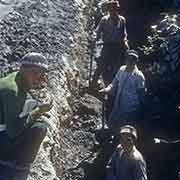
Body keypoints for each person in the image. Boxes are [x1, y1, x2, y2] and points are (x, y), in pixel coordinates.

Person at [0, 52, 52, 169]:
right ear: (22, 68)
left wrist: (37, 105)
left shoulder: (16, 78)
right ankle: (15, 162)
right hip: (3, 137)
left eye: (40, 74)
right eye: (33, 72)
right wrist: (39, 110)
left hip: (4, 128)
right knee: (40, 128)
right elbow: (14, 131)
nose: (37, 77)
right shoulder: (12, 90)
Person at [99, 50, 146, 128]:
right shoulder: (122, 70)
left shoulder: (139, 76)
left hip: (130, 109)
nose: (130, 61)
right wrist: (107, 89)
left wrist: (141, 111)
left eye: (133, 59)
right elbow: (114, 83)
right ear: (126, 59)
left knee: (124, 130)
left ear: (136, 61)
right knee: (111, 125)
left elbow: (142, 94)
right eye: (128, 59)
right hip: (118, 104)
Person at [91, 0, 129, 86]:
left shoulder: (122, 20)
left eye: (114, 10)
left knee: (117, 67)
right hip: (107, 46)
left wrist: (125, 42)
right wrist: (94, 39)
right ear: (108, 10)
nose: (113, 12)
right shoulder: (104, 20)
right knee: (101, 64)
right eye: (111, 10)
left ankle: (115, 86)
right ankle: (93, 83)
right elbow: (97, 32)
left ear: (117, 10)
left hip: (119, 46)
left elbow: (124, 33)